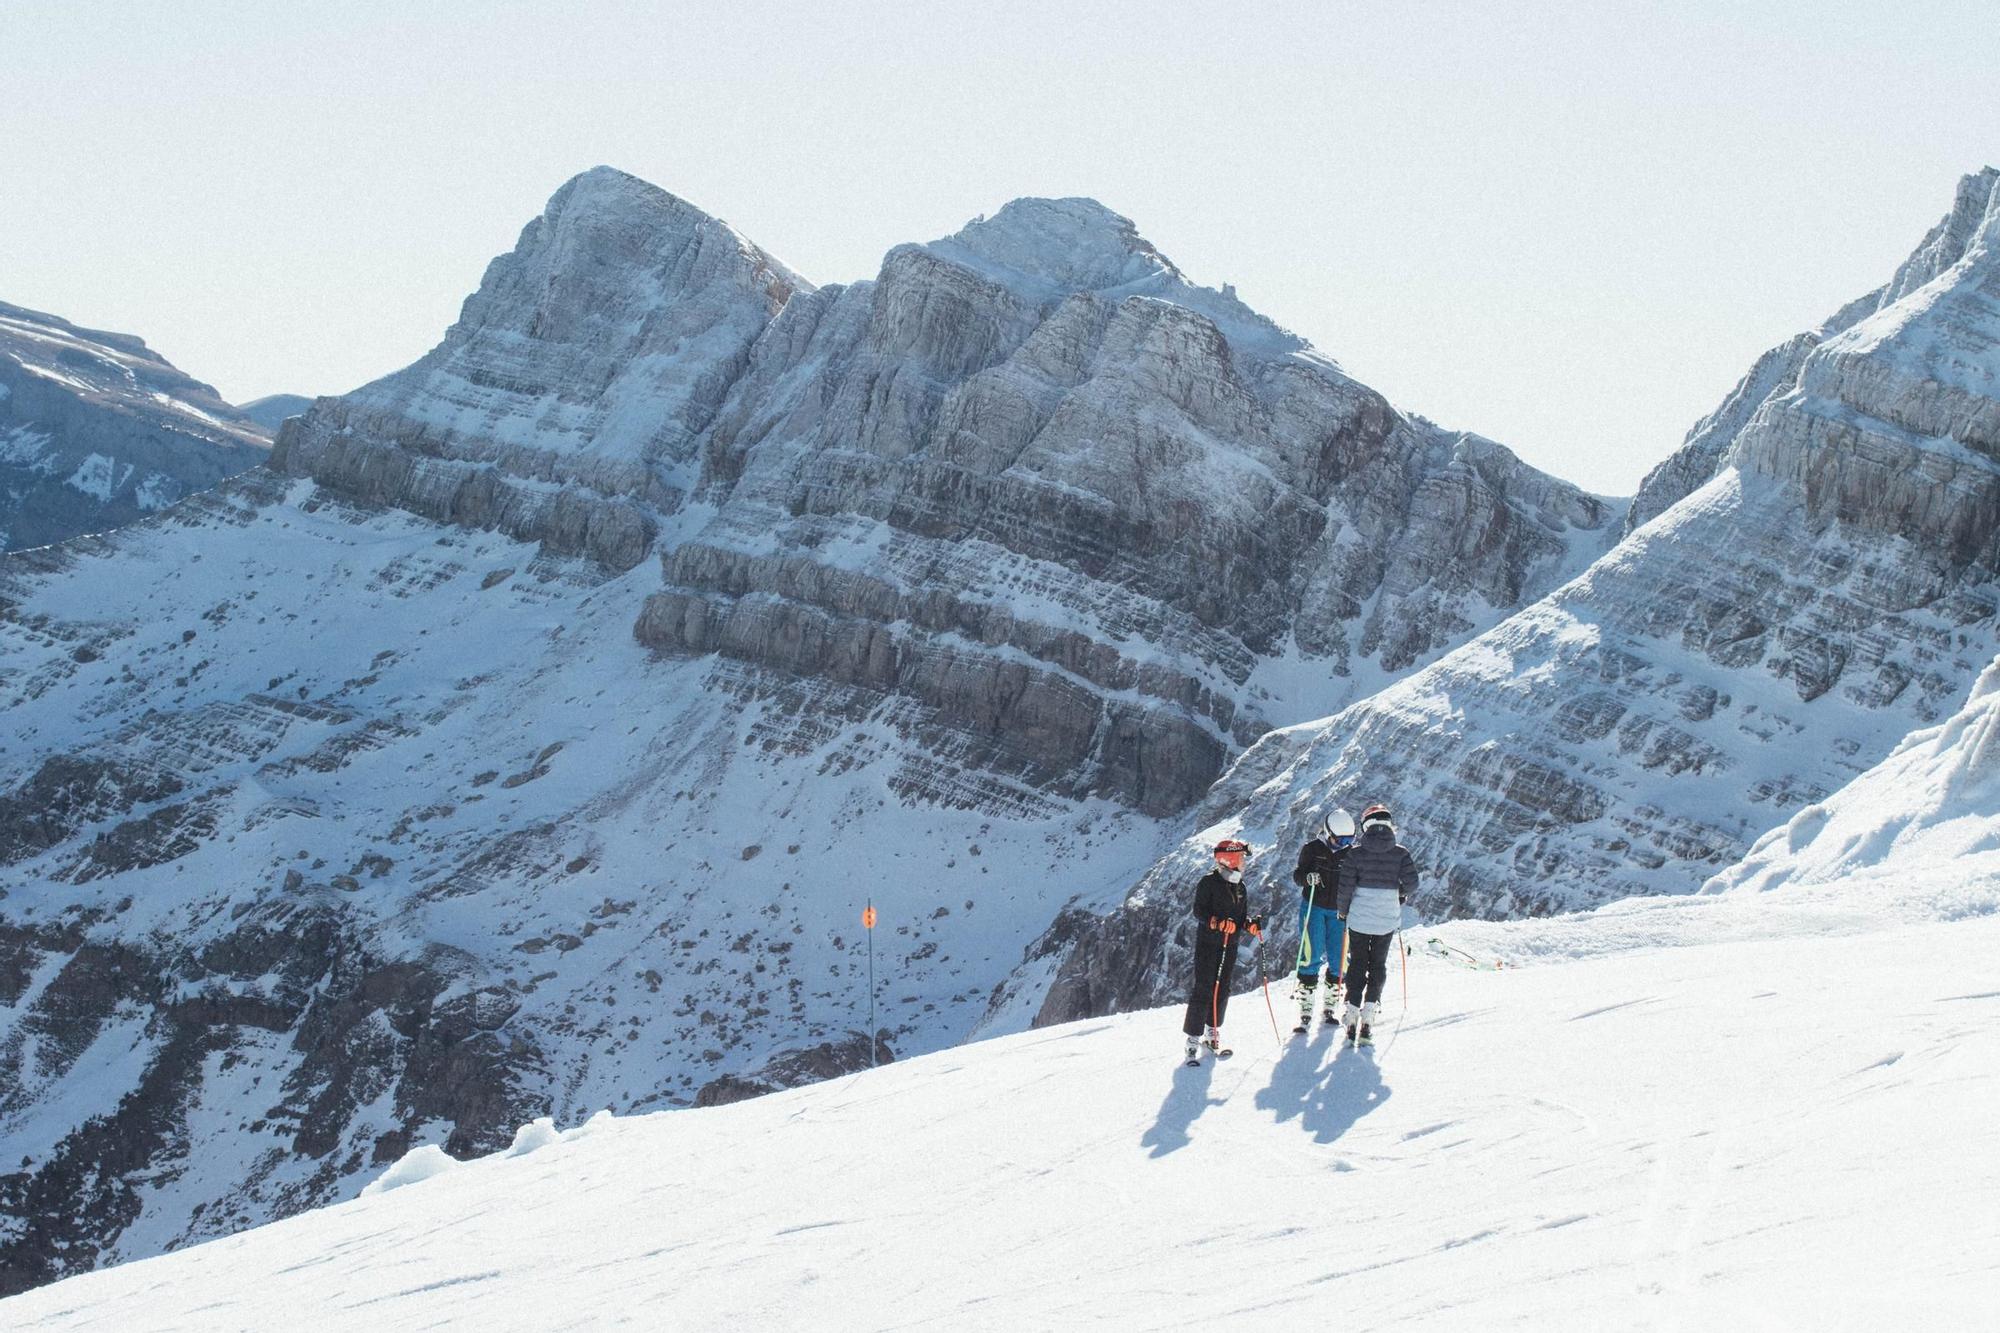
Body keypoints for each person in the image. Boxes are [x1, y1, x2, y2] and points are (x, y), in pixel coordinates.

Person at [1334, 804, 1417, 1044]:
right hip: (1386, 919)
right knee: (1378, 964)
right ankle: (1369, 1014)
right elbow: (1412, 884)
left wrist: (1342, 912)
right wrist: (1397, 894)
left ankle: (1351, 1012)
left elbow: (1345, 889)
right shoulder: (1401, 854)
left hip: (1359, 919)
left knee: (1358, 963)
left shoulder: (1355, 854)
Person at [1181, 838, 1264, 1064]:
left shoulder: (1240, 886)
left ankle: (1212, 1032)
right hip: (1209, 943)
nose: (1243, 862)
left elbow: (1239, 917)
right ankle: (1192, 1040)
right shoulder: (1208, 883)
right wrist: (1216, 922)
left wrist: (1248, 925)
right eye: (1240, 858)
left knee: (1223, 987)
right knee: (1204, 987)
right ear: (1227, 860)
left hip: (1230, 943)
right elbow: (1199, 911)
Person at [1290, 808, 1354, 1032]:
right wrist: (1307, 878)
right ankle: (1306, 1007)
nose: (1344, 843)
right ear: (1328, 833)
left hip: (1339, 912)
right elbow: (1297, 875)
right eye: (1340, 839)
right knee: (1311, 953)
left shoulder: (1350, 853)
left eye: (1349, 839)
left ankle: (1330, 1005)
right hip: (1314, 907)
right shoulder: (1312, 850)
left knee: (1339, 958)